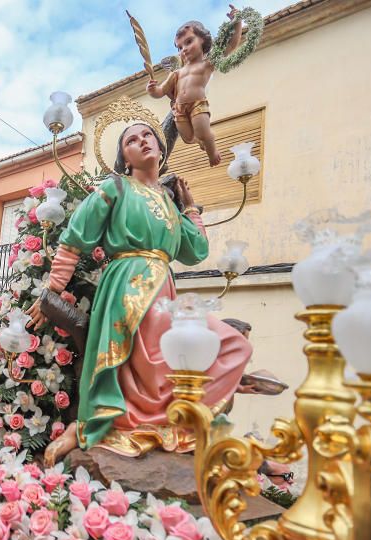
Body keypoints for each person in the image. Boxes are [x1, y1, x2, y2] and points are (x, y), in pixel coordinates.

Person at [27, 111, 251, 466]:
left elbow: (196, 251)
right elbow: (75, 238)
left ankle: (172, 424)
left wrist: (190, 207)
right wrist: (52, 290)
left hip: (164, 288)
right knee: (144, 364)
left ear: (160, 150)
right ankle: (100, 426)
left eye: (148, 135)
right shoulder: (114, 188)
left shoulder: (168, 201)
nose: (143, 141)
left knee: (230, 345)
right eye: (131, 140)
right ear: (124, 158)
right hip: (126, 285)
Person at [145, 7, 248, 166]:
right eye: (179, 47)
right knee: (187, 137)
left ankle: (211, 150)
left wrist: (237, 23)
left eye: (189, 42)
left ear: (203, 41)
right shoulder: (176, 73)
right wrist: (152, 90)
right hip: (179, 109)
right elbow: (161, 91)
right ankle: (201, 140)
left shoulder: (206, 65)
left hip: (197, 105)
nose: (184, 49)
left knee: (202, 131)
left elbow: (231, 45)